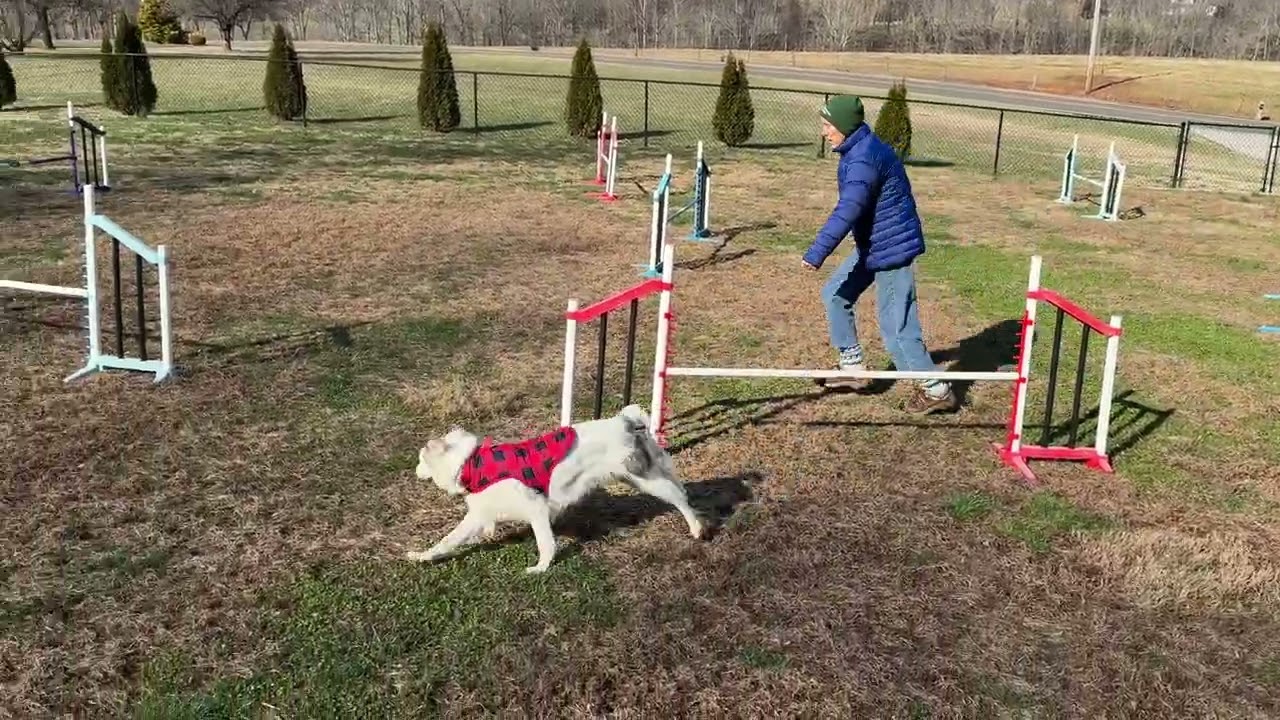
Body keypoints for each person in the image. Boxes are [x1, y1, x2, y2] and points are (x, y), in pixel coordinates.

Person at [801, 94, 957, 414]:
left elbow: (849, 209)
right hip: (874, 244)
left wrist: (817, 251)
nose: (824, 132)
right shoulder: (859, 148)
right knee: (836, 294)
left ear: (844, 126)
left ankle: (937, 390)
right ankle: (853, 368)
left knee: (897, 328)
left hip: (890, 249)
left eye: (828, 126)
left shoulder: (863, 159)